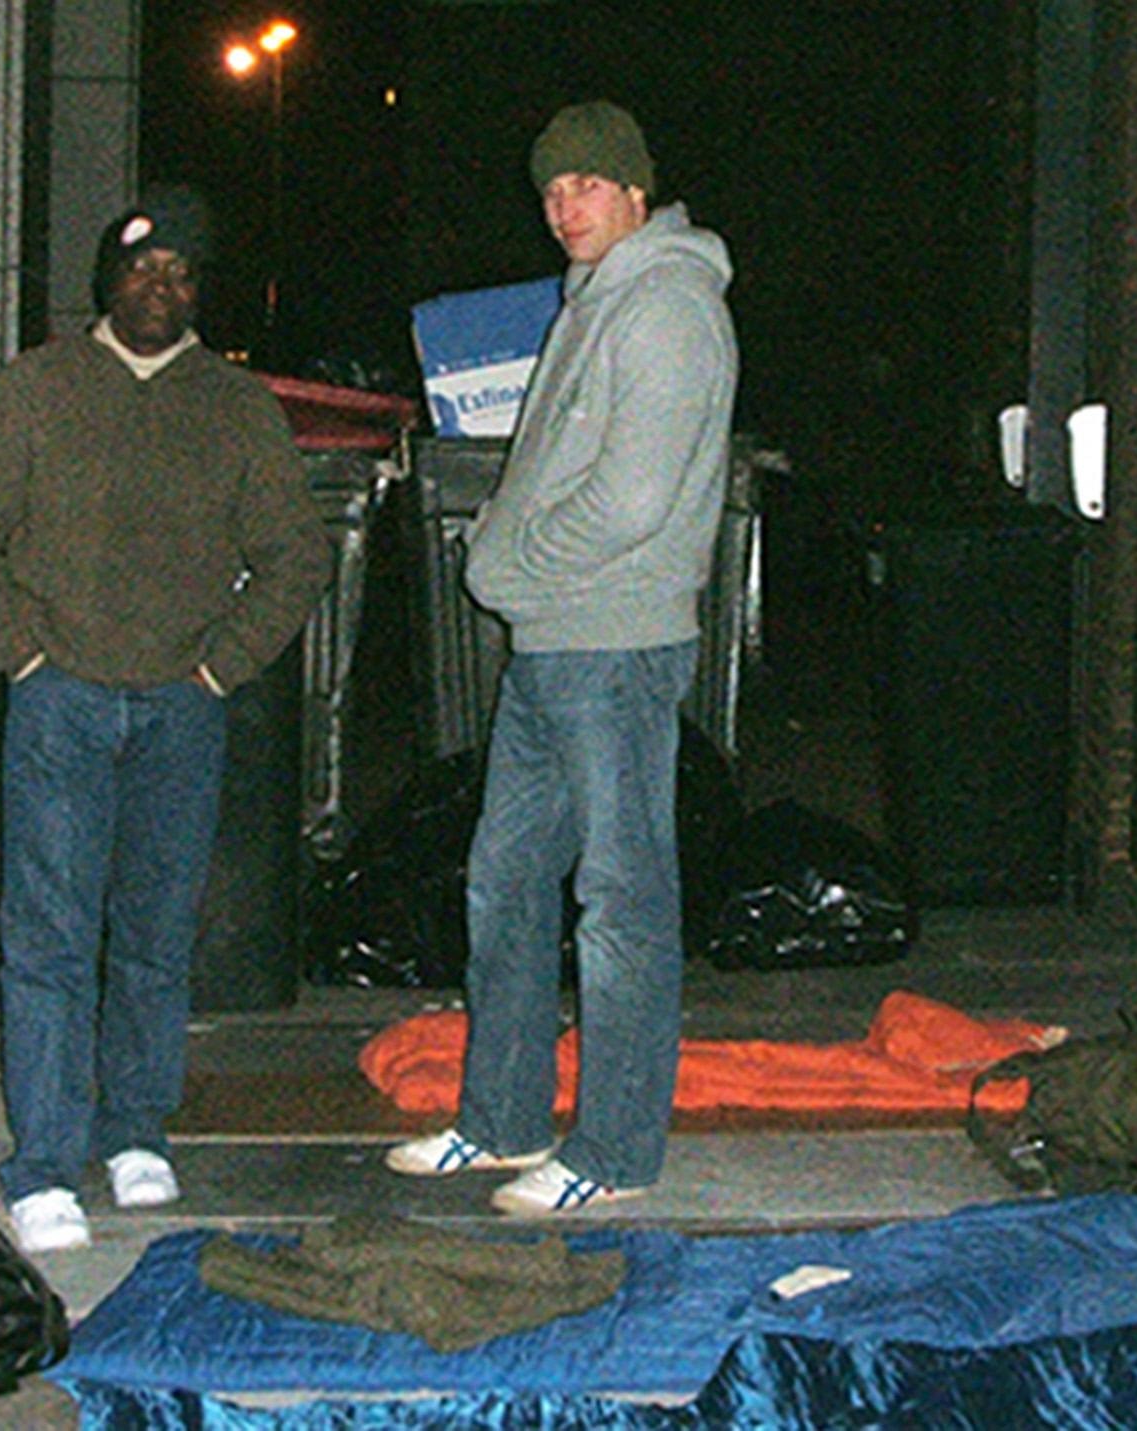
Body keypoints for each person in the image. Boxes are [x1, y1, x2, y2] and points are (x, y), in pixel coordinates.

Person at [0, 188, 331, 1253]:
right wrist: (21, 655)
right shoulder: (38, 389)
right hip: (59, 703)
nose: (162, 286)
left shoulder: (236, 406)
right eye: (144, 268)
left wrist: (222, 667)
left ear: (199, 291)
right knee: (49, 937)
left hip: (179, 712)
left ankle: (136, 1129)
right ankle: (45, 1163)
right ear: (110, 280)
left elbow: (296, 555)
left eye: (182, 272)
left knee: (156, 934)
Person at [387, 101, 739, 1213]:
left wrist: (512, 565)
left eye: (587, 185)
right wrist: (516, 564)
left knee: (623, 902)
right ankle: (498, 1120)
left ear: (637, 192)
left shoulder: (668, 306)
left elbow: (632, 500)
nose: (565, 206)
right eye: (550, 190)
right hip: (553, 649)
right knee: (503, 882)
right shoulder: (594, 303)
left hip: (614, 647)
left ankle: (615, 1153)